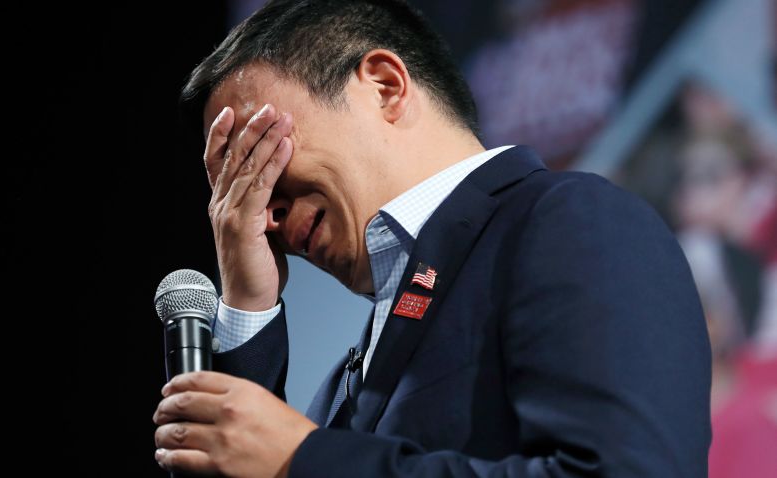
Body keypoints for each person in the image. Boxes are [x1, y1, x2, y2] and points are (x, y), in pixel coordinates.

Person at [152, 1, 712, 476]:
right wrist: (249, 305)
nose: (256, 210)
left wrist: (308, 459)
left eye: (256, 153)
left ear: (384, 86)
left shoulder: (569, 221)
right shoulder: (350, 376)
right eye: (229, 184)